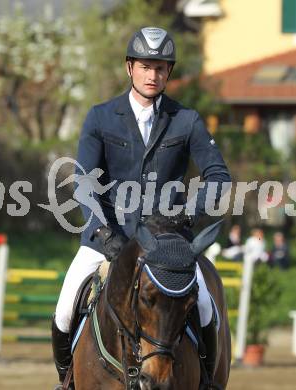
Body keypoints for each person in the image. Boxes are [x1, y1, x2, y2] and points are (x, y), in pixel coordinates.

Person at [51, 26, 231, 389]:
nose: (154, 74)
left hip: (168, 244)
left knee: (208, 307)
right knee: (65, 307)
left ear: (169, 72)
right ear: (129, 67)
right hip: (107, 238)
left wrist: (187, 214)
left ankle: (208, 381)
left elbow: (218, 177)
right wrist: (102, 231)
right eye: (146, 66)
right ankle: (67, 380)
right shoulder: (100, 117)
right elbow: (84, 181)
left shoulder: (187, 120)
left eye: (161, 68)